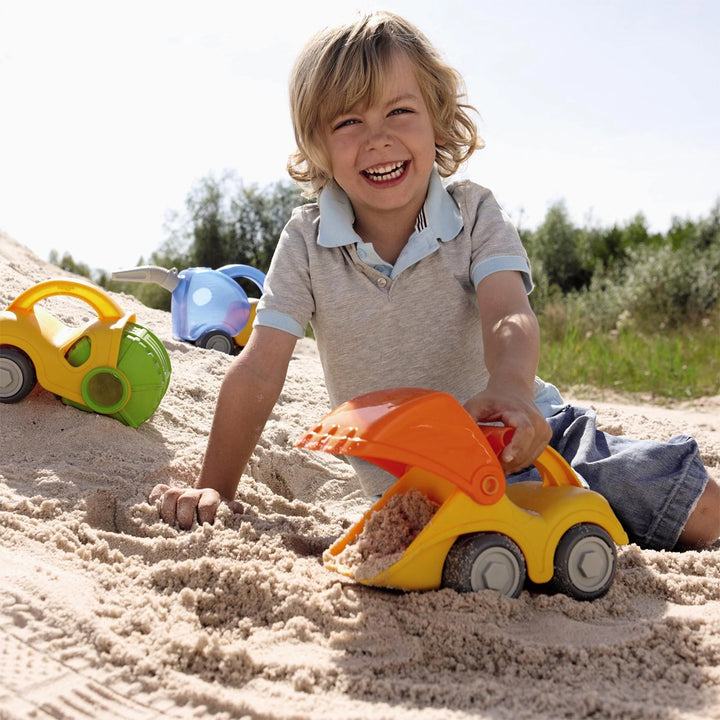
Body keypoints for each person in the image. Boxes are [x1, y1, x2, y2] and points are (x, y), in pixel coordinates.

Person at [150, 10, 720, 551]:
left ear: (437, 119)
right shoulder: (306, 242)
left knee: (692, 509)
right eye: (349, 122)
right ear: (317, 144)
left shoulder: (473, 215)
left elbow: (508, 312)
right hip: (416, 484)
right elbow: (259, 369)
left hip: (519, 438)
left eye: (399, 112)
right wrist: (215, 487)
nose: (377, 139)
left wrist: (513, 388)